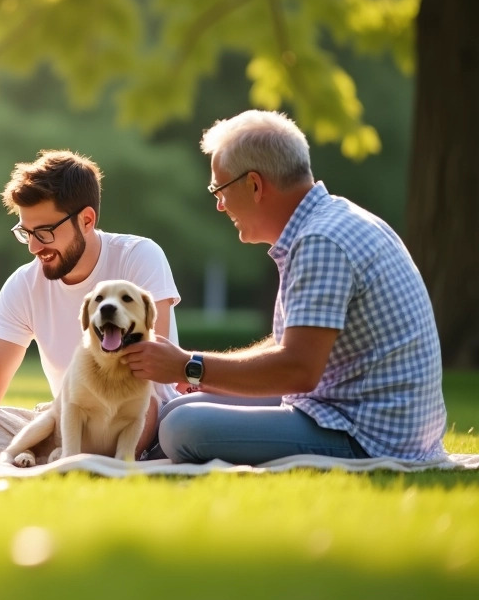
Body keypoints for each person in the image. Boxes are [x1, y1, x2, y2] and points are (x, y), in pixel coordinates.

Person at [126, 110, 447, 465]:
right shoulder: (330, 222)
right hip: (346, 409)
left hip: (367, 435)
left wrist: (190, 366)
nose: (219, 205)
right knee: (179, 407)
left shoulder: (321, 241)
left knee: (182, 428)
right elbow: (291, 344)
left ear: (254, 185)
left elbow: (298, 369)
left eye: (219, 189)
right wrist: (197, 372)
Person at [0, 150, 181, 457]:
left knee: (147, 406)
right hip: (73, 419)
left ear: (87, 220)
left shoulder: (138, 257)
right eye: (26, 233)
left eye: (46, 232)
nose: (35, 247)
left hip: (145, 418)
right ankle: (63, 453)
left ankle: (86, 460)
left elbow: (149, 363)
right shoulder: (24, 285)